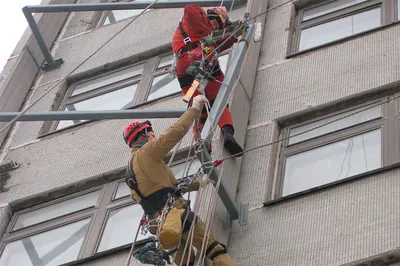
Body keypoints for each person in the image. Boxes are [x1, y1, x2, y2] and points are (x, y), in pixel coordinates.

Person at [123, 95, 236, 266]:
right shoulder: (146, 153)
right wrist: (194, 109)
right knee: (214, 249)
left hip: (161, 225)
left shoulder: (131, 172)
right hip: (175, 214)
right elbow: (175, 132)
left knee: (185, 261)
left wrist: (199, 183)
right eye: (151, 133)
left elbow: (166, 190)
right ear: (144, 134)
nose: (154, 136)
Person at [172, 4, 243, 157]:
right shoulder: (197, 16)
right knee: (219, 88)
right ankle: (224, 133)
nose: (214, 26)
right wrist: (207, 34)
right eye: (215, 21)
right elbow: (189, 9)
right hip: (195, 56)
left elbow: (214, 45)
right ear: (210, 16)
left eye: (217, 26)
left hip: (185, 68)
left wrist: (232, 38)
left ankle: (206, 144)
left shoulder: (204, 37)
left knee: (200, 106)